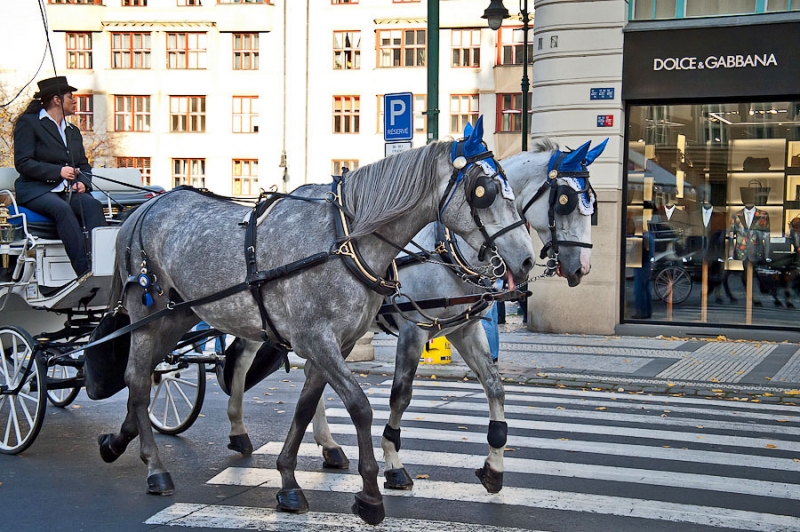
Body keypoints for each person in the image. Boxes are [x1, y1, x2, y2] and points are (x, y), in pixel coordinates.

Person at [14, 76, 106, 277]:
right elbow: (23, 163)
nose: (75, 101)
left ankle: (104, 266)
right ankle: (85, 272)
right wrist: (58, 171)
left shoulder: (72, 131)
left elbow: (83, 165)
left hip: (66, 191)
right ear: (57, 100)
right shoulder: (29, 124)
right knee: (62, 210)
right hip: (36, 190)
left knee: (92, 206)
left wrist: (82, 183)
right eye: (70, 97)